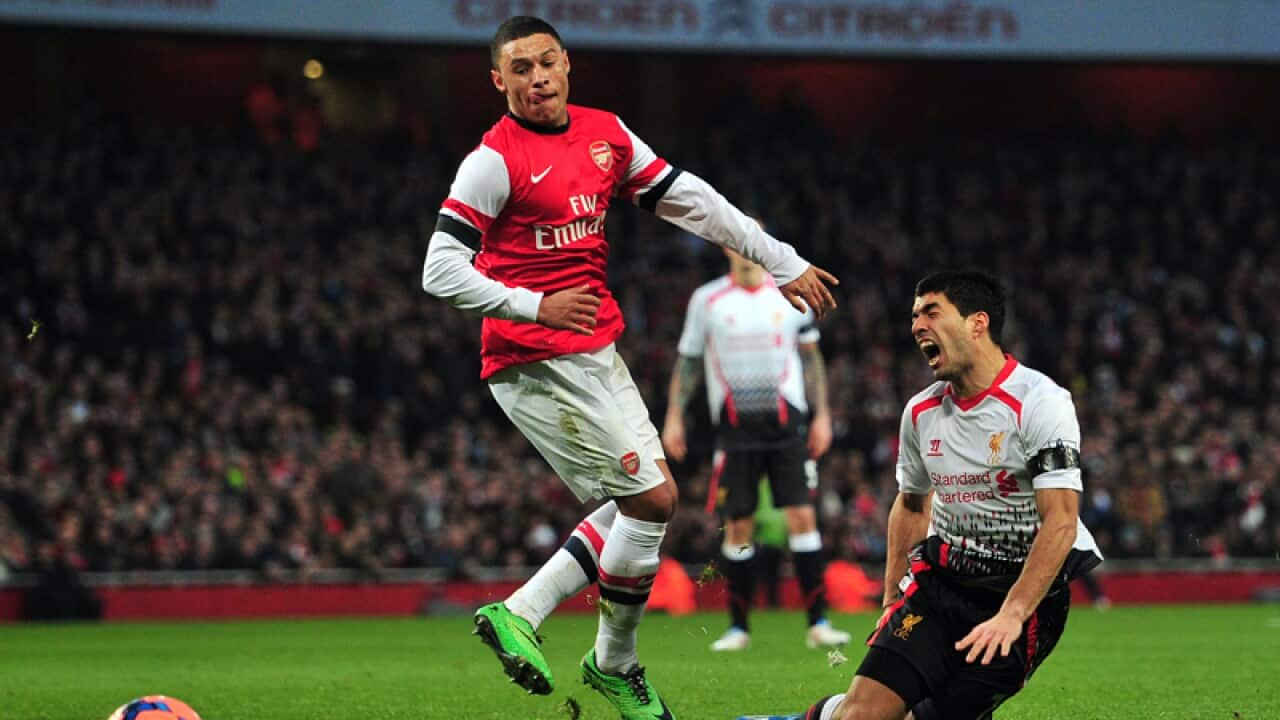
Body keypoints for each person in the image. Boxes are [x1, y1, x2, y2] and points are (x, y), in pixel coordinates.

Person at [420, 16, 839, 720]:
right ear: (498, 81)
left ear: (567, 64)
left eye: (546, 62)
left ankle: (540, 621)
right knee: (650, 502)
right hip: (533, 356)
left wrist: (781, 259)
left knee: (641, 503)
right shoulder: (493, 159)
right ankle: (604, 657)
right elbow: (439, 270)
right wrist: (533, 305)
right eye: (519, 69)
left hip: (595, 347)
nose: (537, 79)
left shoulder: (604, 134)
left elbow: (693, 201)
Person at [792, 271, 1101, 720]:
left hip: (1020, 600)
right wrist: (891, 598)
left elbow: (1061, 521)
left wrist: (1013, 613)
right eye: (914, 316)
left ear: (978, 323)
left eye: (931, 312)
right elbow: (912, 504)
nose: (917, 325)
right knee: (861, 717)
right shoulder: (920, 412)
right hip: (940, 587)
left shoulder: (1041, 402)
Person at [662, 246, 850, 652]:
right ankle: (738, 628)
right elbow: (689, 362)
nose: (746, 252)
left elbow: (811, 358)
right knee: (739, 526)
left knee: (802, 517)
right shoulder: (708, 300)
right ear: (728, 248)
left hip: (788, 427)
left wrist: (821, 416)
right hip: (734, 432)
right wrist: (674, 416)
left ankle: (818, 624)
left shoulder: (789, 292)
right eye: (738, 243)